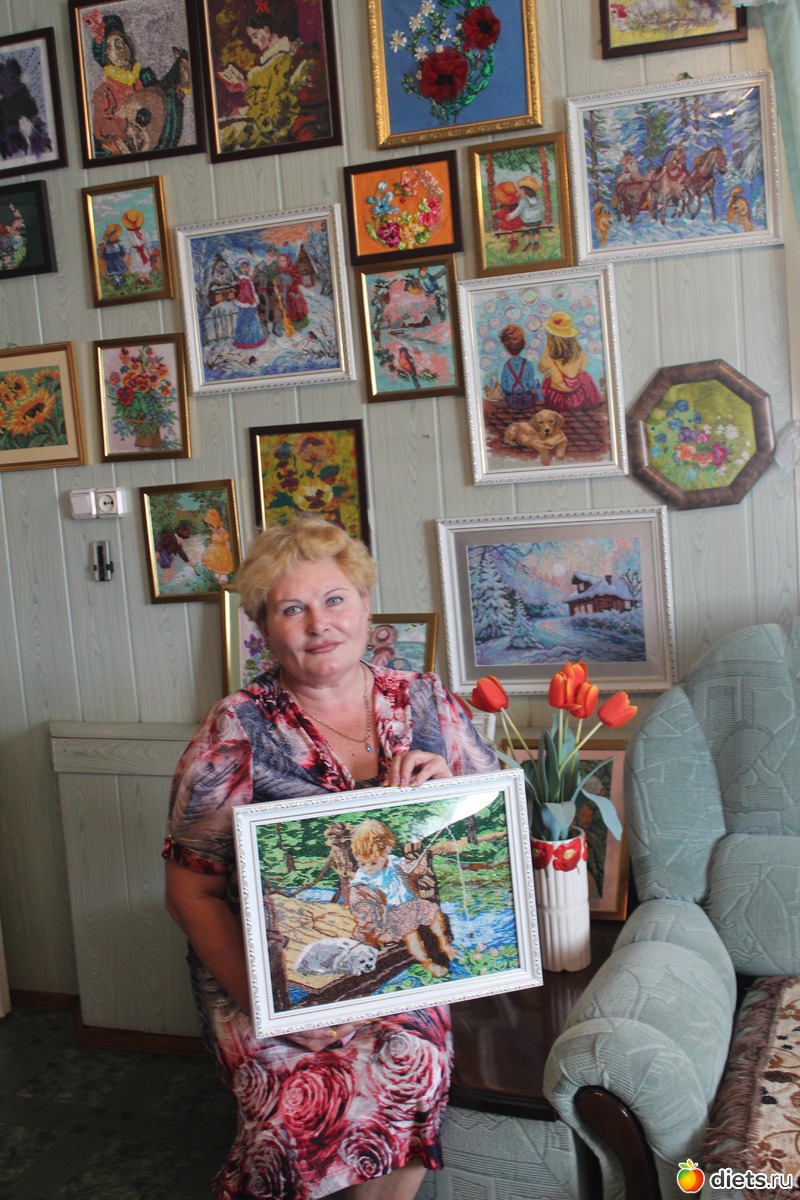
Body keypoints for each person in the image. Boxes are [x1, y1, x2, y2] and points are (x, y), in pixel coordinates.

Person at [164, 516, 497, 1199]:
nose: (320, 624)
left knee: (412, 1063)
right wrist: (275, 1008)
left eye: (335, 599)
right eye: (293, 609)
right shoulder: (236, 728)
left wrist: (452, 792)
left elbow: (497, 824)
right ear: (264, 626)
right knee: (297, 1103)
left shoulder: (427, 700)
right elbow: (189, 893)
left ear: (366, 605)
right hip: (270, 974)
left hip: (398, 965)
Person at [349, 819, 459, 978]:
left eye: (373, 862)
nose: (368, 868)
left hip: (411, 905)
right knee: (410, 934)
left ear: (386, 851)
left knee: (433, 913)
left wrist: (418, 867)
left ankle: (444, 944)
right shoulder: (362, 884)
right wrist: (378, 932)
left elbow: (410, 871)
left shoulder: (392, 862)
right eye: (362, 863)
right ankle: (427, 963)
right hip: (390, 914)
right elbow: (363, 913)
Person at [537, 310, 603, 413]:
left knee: (547, 378)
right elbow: (582, 367)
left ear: (550, 335)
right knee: (585, 376)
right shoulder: (579, 352)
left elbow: (540, 369)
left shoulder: (549, 353)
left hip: (559, 400)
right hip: (578, 395)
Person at [498, 323, 541, 412]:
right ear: (523, 344)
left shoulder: (506, 366)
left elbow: (504, 387)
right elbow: (531, 384)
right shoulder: (528, 364)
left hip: (512, 402)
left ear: (506, 347)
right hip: (527, 401)